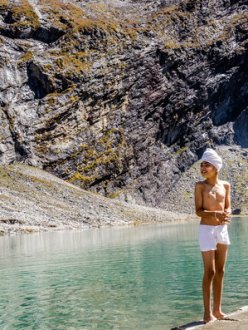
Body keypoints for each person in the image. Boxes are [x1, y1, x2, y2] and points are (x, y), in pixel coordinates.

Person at [194, 148, 231, 323]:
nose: (203, 167)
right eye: (202, 164)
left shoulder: (225, 185)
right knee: (210, 271)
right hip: (206, 230)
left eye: (207, 165)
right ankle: (207, 313)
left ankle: (218, 310)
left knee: (221, 270)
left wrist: (227, 213)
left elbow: (228, 206)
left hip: (222, 230)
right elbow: (198, 211)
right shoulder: (200, 186)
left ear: (216, 167)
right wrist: (214, 215)